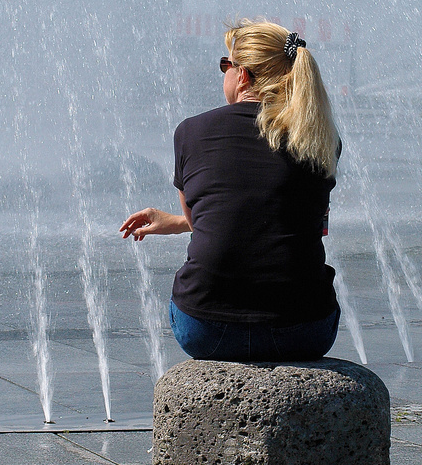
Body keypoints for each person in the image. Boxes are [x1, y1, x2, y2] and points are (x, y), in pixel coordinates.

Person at [119, 19, 341, 362]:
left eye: (226, 64)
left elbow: (208, 217)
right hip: (305, 329)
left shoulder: (192, 132)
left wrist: (182, 221)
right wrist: (175, 222)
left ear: (243, 75)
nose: (224, 72)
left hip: (207, 330)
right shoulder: (319, 138)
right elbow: (289, 214)